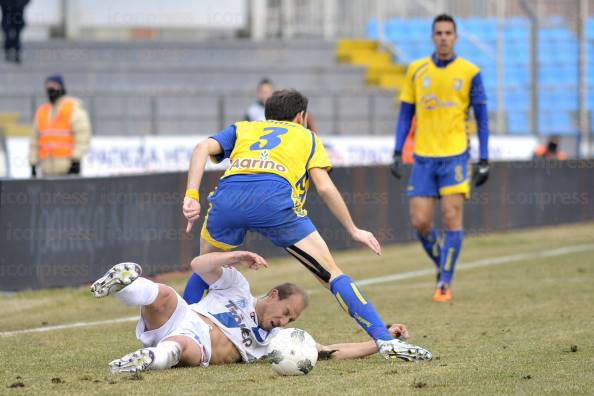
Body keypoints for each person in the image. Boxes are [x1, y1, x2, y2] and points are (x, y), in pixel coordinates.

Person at [182, 89, 431, 361]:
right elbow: (324, 187)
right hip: (275, 201)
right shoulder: (307, 136)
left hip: (228, 199)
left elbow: (201, 148)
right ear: (301, 116)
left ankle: (180, 328)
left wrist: (191, 195)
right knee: (333, 275)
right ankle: (384, 341)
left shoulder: (243, 128)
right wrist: (353, 229)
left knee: (204, 268)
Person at [91, 251, 424, 373]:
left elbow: (329, 351)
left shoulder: (275, 341)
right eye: (286, 313)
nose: (285, 321)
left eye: (292, 320)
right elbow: (197, 265)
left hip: (200, 344)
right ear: (274, 294)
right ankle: (126, 284)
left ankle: (147, 360)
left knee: (181, 347)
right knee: (162, 295)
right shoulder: (236, 287)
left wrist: (380, 343)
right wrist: (232, 257)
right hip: (186, 316)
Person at [390, 14, 490, 303]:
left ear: (455, 37)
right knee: (420, 222)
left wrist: (484, 158)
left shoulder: (470, 72)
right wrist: (397, 150)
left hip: (456, 156)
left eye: (449, 33)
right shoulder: (416, 70)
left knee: (450, 217)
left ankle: (444, 282)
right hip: (423, 158)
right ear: (433, 37)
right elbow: (405, 113)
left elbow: (482, 119)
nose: (444, 37)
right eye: (439, 33)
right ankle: (443, 264)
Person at [29, 74, 92, 177]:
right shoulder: (42, 111)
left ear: (61, 87)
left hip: (68, 168)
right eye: (48, 87)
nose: (50, 89)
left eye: (54, 86)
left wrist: (75, 160)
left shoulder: (73, 107)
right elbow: (34, 141)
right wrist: (33, 163)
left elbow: (82, 136)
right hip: (46, 171)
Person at [244, 78, 318, 133]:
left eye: (267, 92)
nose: (265, 95)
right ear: (258, 93)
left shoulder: (280, 108)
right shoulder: (252, 111)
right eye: (263, 92)